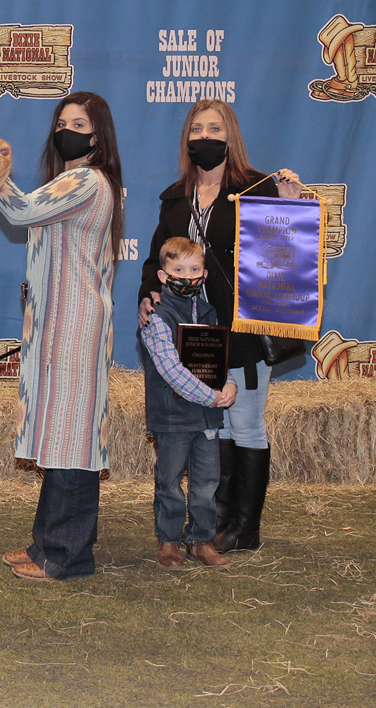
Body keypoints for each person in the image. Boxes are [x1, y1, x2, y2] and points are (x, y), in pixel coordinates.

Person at [138, 99, 302, 553]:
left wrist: (291, 208)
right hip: (191, 332)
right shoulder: (174, 197)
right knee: (216, 425)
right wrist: (147, 297)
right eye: (196, 129)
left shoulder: (259, 188)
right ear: (186, 138)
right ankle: (213, 524)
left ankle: (243, 529)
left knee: (245, 423)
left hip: (244, 326)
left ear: (230, 136)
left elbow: (287, 256)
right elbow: (156, 261)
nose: (204, 137)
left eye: (214, 129)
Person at [0, 91, 124, 580]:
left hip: (75, 327)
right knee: (63, 438)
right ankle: (47, 542)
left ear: (96, 135)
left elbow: (21, 211)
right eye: (61, 121)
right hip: (61, 326)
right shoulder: (72, 180)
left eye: (79, 122)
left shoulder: (86, 180)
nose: (67, 128)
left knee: (71, 442)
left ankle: (66, 555)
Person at [140, 237, 237, 570]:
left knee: (207, 482)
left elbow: (219, 362)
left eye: (195, 269)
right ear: (164, 276)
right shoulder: (156, 318)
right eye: (179, 269)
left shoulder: (210, 315)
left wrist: (230, 386)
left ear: (205, 275)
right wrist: (212, 397)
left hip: (207, 420)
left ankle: (201, 541)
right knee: (168, 481)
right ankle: (168, 541)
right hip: (173, 416)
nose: (188, 276)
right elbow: (170, 370)